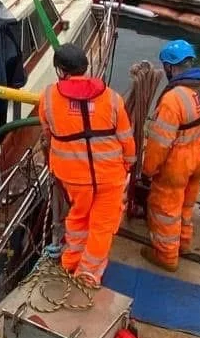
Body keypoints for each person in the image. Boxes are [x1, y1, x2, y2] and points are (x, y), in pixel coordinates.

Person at [38, 42, 135, 290]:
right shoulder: (112, 98)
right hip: (110, 176)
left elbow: (48, 134)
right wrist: (128, 164)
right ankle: (89, 272)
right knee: (102, 226)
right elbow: (126, 139)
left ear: (61, 70)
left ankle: (70, 261)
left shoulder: (48, 97)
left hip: (73, 178)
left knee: (77, 218)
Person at [139, 39, 200, 273]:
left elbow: (159, 144)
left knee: (165, 208)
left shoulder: (173, 99)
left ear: (169, 67)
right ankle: (183, 244)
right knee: (186, 205)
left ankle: (166, 256)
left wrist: (148, 170)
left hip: (177, 162)